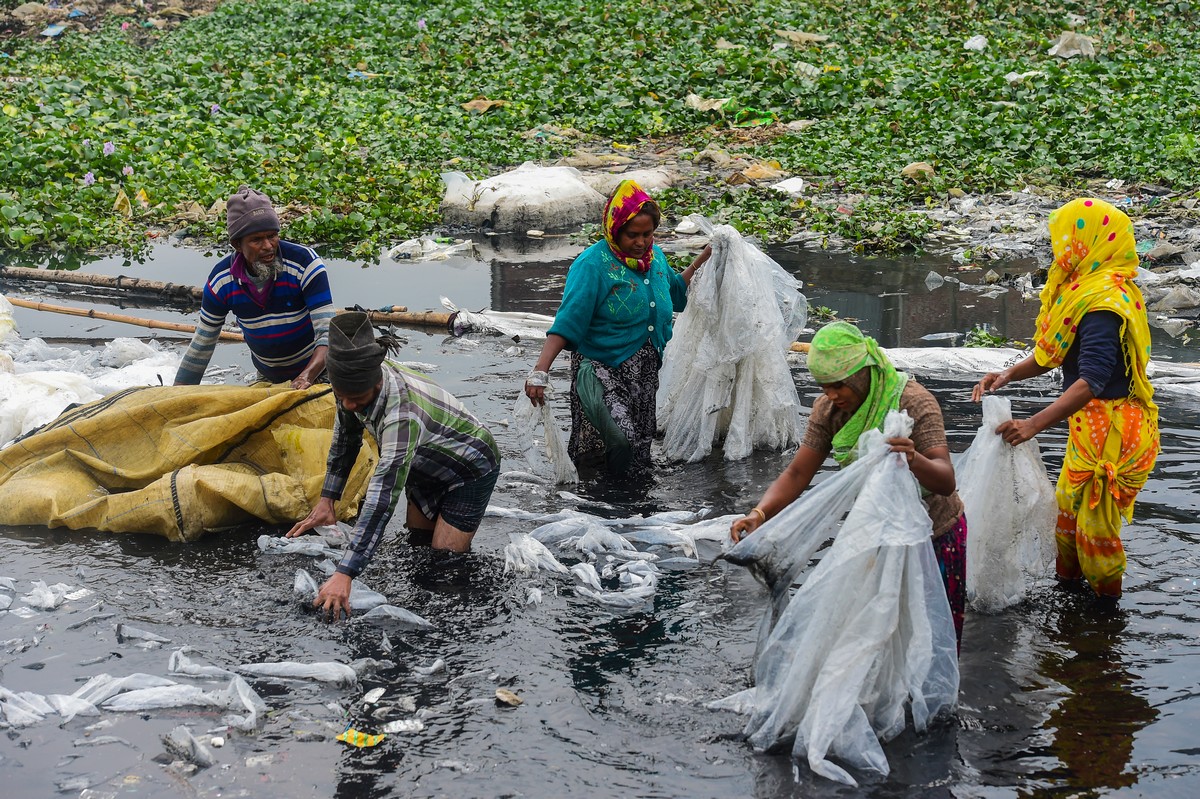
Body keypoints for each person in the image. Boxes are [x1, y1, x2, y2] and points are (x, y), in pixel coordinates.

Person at [730, 321, 968, 645]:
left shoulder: (912, 402)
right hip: (878, 533)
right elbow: (798, 473)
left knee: (934, 634)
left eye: (839, 385)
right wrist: (759, 513)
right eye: (823, 385)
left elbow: (945, 480)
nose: (831, 394)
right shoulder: (828, 410)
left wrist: (914, 458)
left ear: (862, 371)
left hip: (935, 533)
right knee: (878, 636)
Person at [972, 197, 1159, 607]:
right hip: (1087, 425)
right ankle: (1069, 599)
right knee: (1068, 520)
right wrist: (1007, 375)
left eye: (1065, 240)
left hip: (1111, 431)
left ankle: (1105, 623)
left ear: (1089, 241)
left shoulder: (1102, 305)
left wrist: (1032, 424)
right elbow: (1052, 356)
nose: (1059, 251)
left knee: (1097, 533)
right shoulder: (1084, 291)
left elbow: (1090, 381)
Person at [286, 312, 500, 619]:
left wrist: (346, 572)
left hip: (470, 467)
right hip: (425, 465)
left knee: (445, 562)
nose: (348, 405)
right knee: (418, 546)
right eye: (342, 397)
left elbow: (382, 496)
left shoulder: (402, 414)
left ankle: (460, 621)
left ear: (375, 384)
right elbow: (345, 439)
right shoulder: (351, 386)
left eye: (356, 399)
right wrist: (326, 501)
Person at [524, 179, 711, 476]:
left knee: (637, 454)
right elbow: (568, 321)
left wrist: (706, 259)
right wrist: (540, 371)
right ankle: (598, 506)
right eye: (632, 235)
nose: (641, 242)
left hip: (645, 376)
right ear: (614, 229)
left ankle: (623, 514)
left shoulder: (655, 258)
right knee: (620, 441)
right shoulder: (592, 265)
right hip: (601, 370)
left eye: (648, 234)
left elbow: (675, 293)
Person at [174, 185, 335, 389]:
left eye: (272, 236)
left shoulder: (305, 264)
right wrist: (178, 393)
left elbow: (328, 333)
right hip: (268, 377)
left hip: (319, 372)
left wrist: (307, 377)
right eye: (256, 240)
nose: (268, 246)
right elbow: (202, 344)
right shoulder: (221, 281)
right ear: (237, 245)